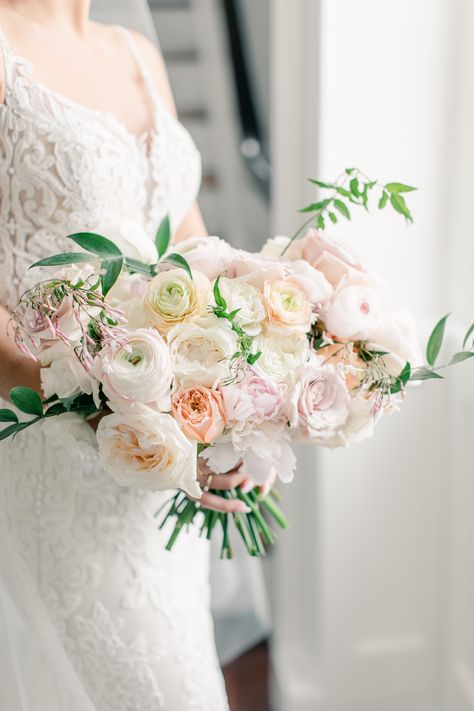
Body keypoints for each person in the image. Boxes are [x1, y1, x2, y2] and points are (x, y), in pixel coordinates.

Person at [0, 2, 271, 708]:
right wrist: (87, 403)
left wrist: (247, 393)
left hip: (157, 468)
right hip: (52, 456)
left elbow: (190, 247)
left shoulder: (138, 53)